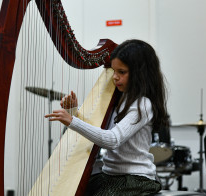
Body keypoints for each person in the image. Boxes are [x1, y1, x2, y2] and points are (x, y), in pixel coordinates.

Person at [45, 39, 169, 196]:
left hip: (136, 178)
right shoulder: (119, 98)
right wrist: (73, 112)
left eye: (121, 72)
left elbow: (112, 140)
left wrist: (72, 121)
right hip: (110, 175)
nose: (115, 77)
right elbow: (96, 128)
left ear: (140, 74)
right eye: (114, 71)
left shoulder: (142, 105)